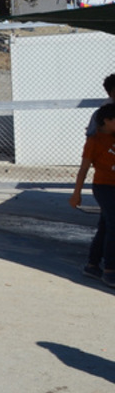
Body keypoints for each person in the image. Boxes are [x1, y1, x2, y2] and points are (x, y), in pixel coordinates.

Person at [74, 103, 115, 287]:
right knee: (113, 224)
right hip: (104, 187)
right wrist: (77, 194)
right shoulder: (94, 142)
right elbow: (83, 170)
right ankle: (109, 270)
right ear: (107, 121)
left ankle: (92, 265)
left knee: (106, 225)